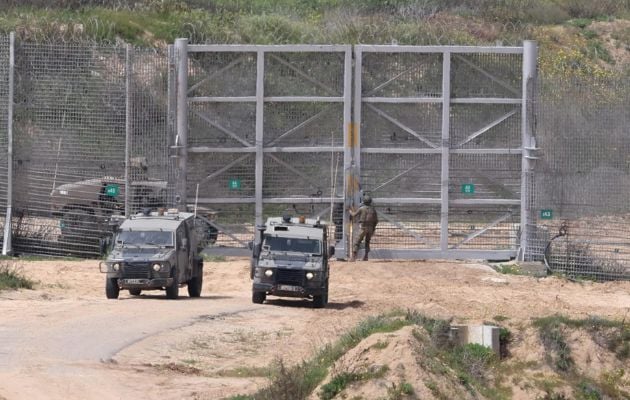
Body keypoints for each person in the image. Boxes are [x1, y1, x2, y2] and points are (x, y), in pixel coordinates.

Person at [349, 195, 378, 261]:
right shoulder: (373, 209)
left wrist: (349, 210)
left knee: (357, 241)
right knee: (367, 242)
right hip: (370, 228)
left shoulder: (362, 208)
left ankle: (353, 257)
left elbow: (353, 215)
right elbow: (376, 220)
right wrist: (373, 228)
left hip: (363, 227)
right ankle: (366, 256)